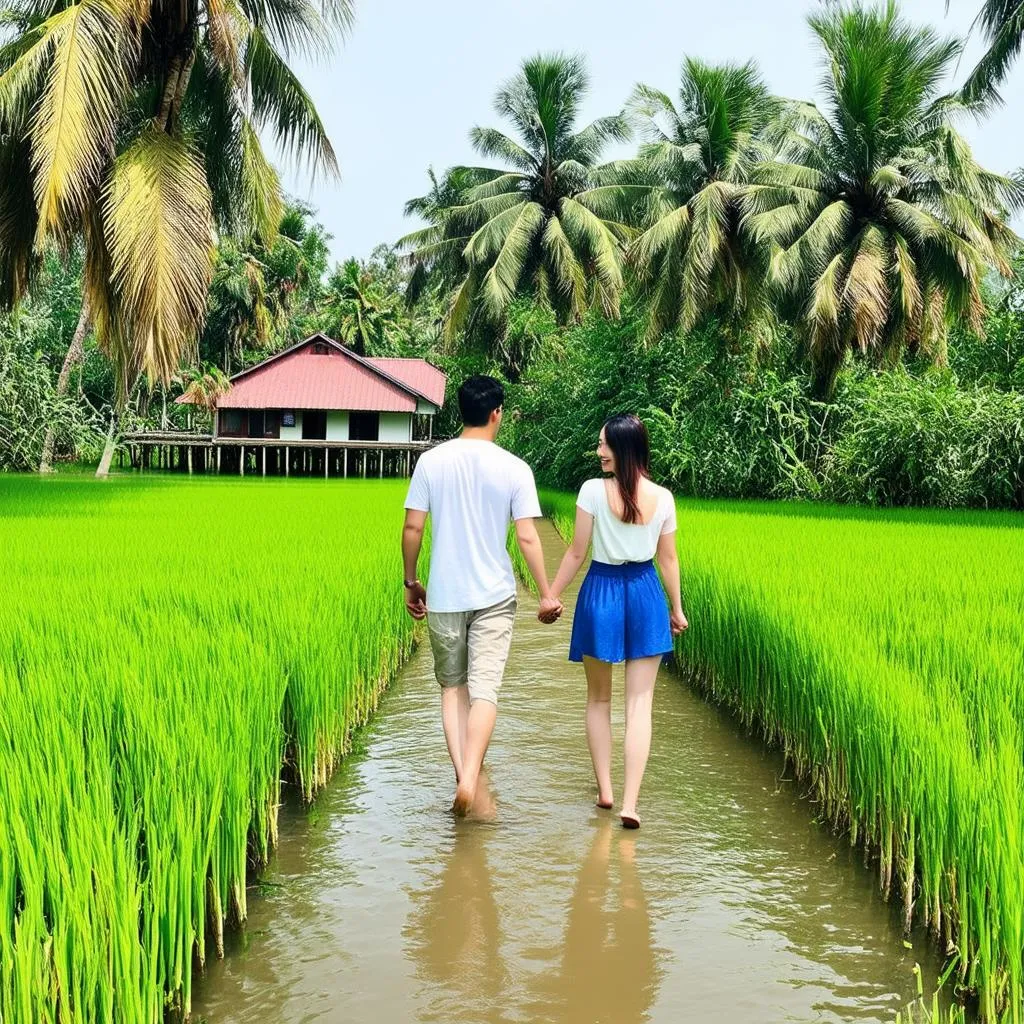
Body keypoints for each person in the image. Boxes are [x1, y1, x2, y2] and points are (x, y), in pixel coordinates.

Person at [402, 375, 563, 816]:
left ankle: (462, 777)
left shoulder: (432, 462)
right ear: (497, 414)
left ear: (460, 411)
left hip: (447, 596)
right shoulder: (514, 468)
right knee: (485, 689)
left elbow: (413, 528)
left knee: (453, 689)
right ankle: (473, 776)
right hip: (494, 595)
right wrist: (547, 592)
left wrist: (411, 581)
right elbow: (528, 537)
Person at [543, 414, 687, 829]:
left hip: (602, 592)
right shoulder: (664, 496)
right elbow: (668, 559)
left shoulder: (591, 491)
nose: (600, 452)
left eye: (605, 445)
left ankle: (605, 791)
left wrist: (551, 594)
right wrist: (675, 608)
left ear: (624, 448)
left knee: (599, 700)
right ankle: (629, 802)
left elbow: (576, 552)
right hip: (645, 594)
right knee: (640, 705)